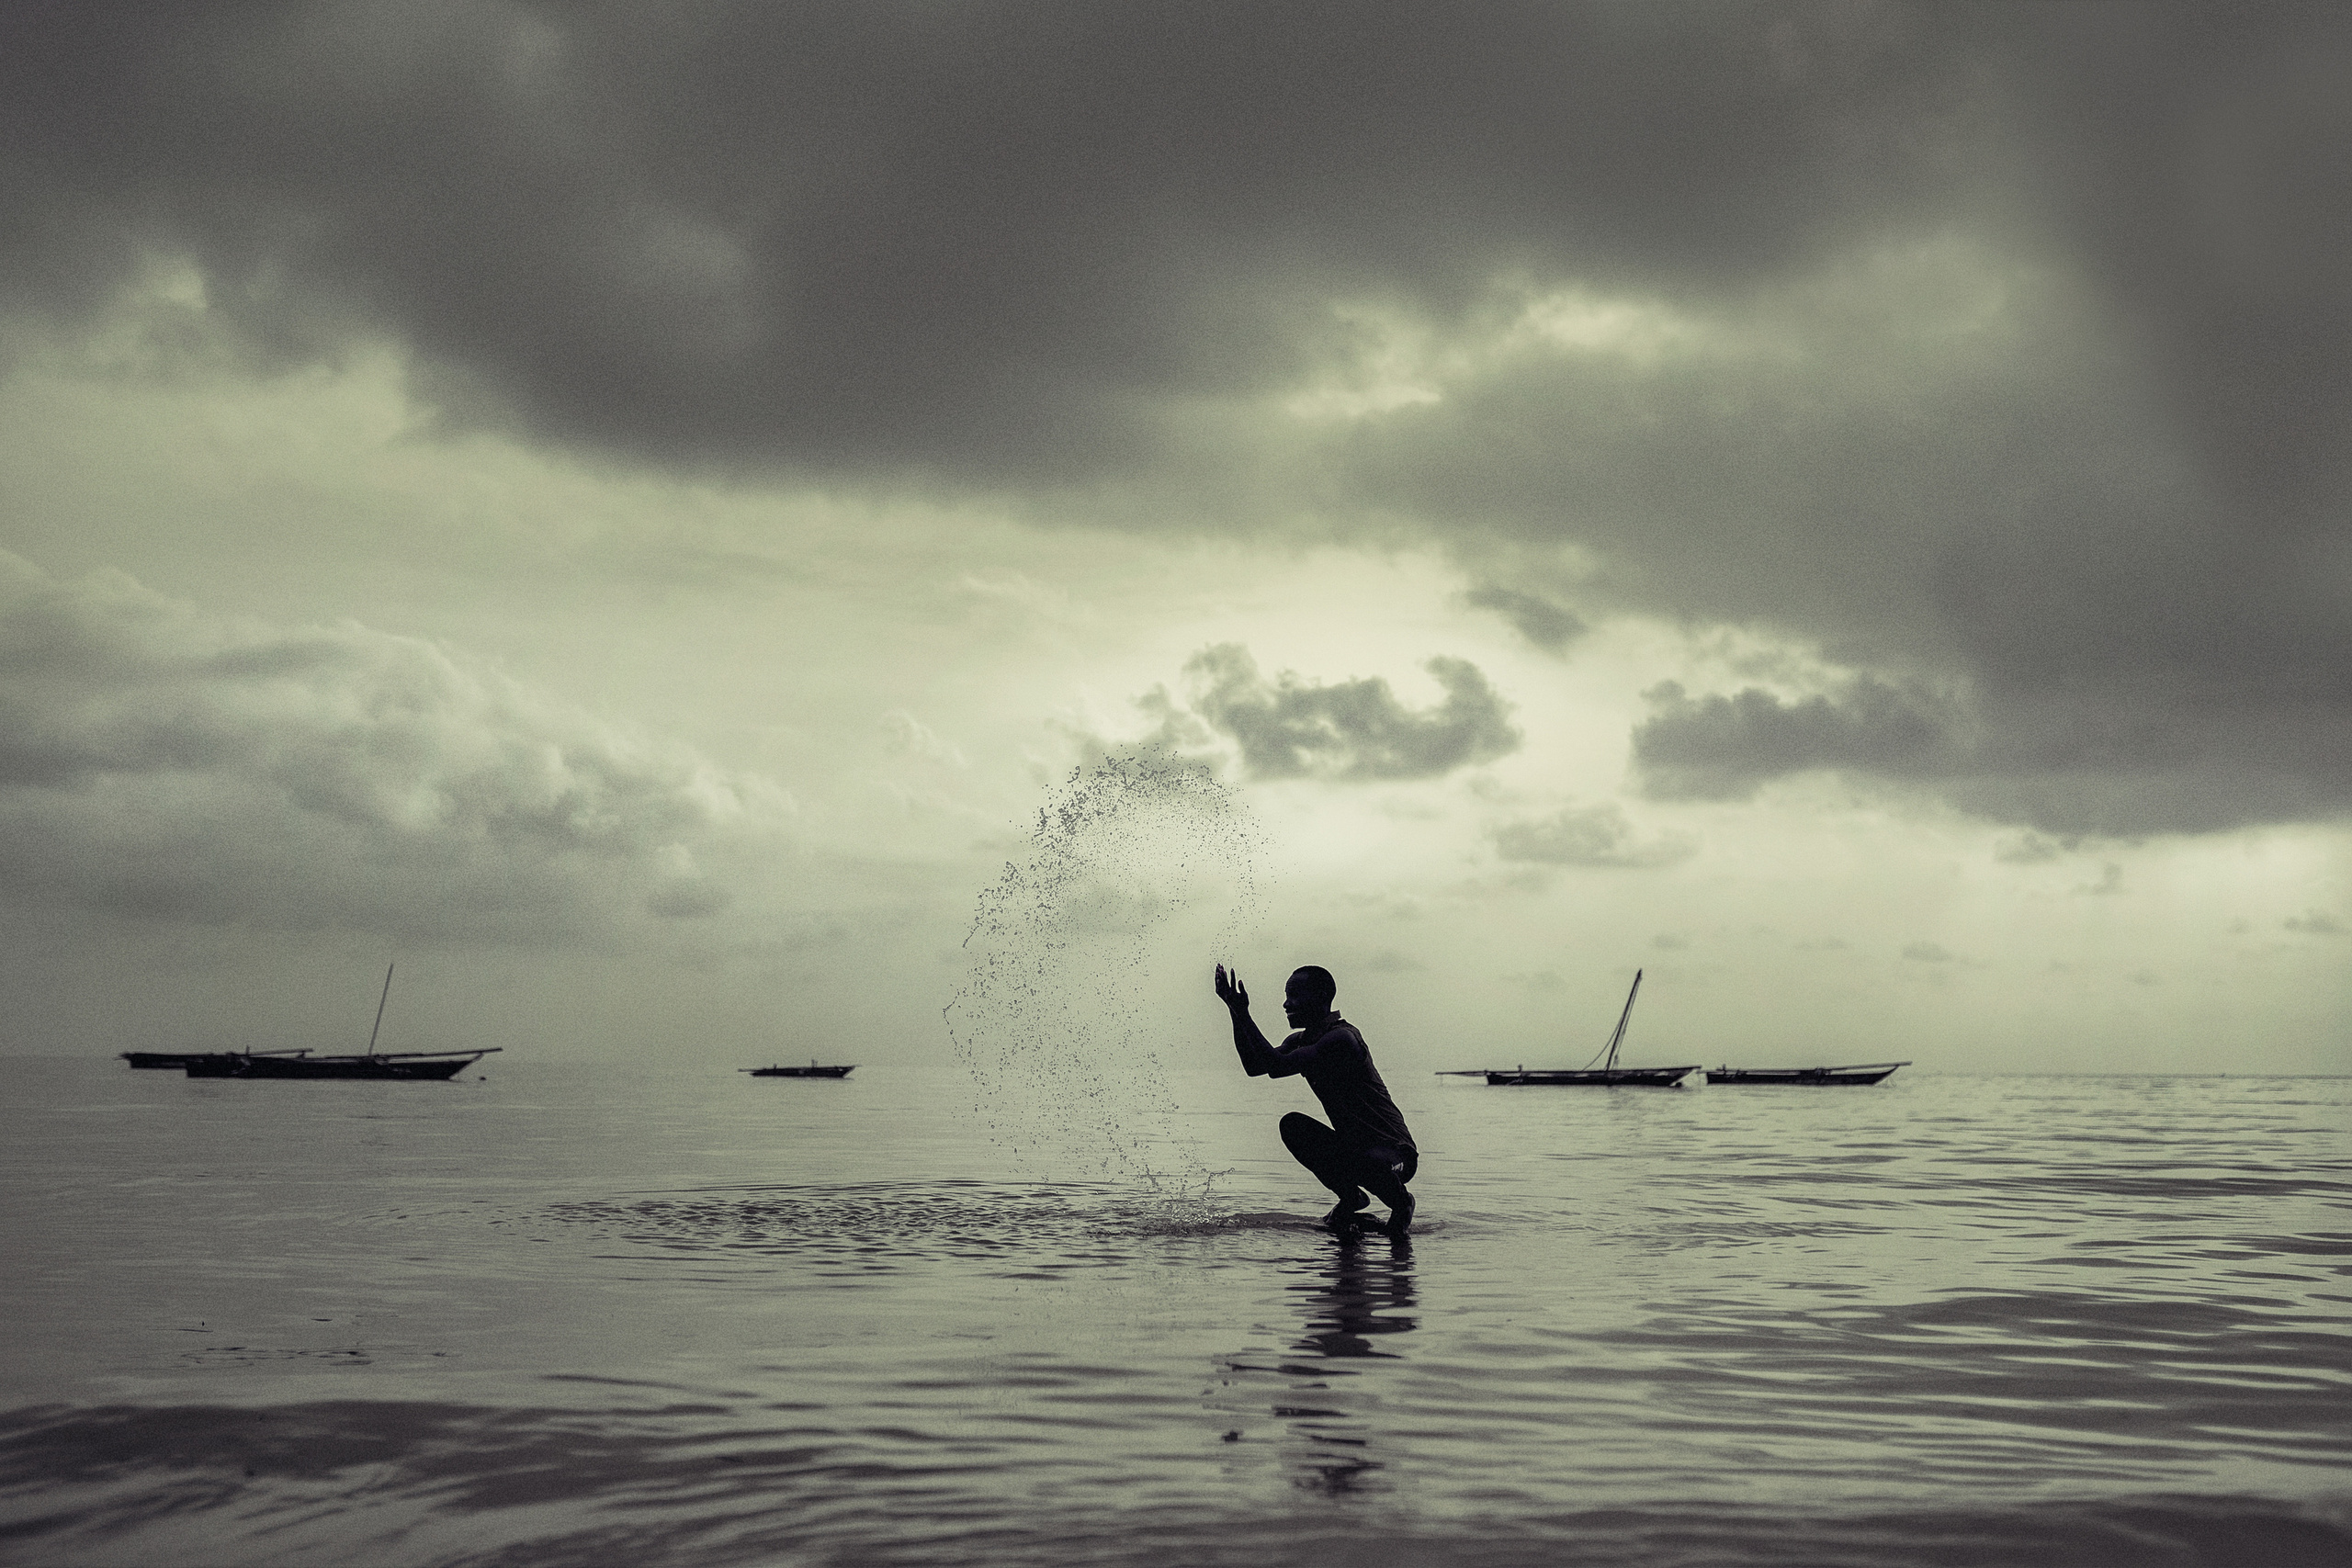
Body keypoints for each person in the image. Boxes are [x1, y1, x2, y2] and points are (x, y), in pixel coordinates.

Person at [1214, 963, 1418, 1235]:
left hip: (1394, 1155)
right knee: (1293, 1126)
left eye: (1295, 995)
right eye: (1287, 996)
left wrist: (1243, 1013)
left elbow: (1275, 1064)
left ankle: (1401, 1202)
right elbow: (1255, 1066)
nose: (1286, 1004)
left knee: (1367, 1159)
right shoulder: (1300, 1040)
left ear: (1321, 997)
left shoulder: (1342, 1038)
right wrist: (1234, 1011)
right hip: (1356, 1149)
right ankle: (1351, 1198)